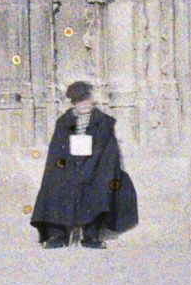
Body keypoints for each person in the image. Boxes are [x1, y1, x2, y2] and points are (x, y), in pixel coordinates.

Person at [30, 81, 138, 248]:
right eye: (80, 101)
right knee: (54, 183)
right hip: (70, 167)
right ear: (73, 104)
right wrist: (67, 168)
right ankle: (58, 235)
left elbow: (108, 155)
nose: (85, 104)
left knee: (100, 185)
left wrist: (89, 169)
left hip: (95, 168)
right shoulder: (64, 122)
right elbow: (57, 153)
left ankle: (91, 235)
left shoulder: (103, 122)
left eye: (87, 100)